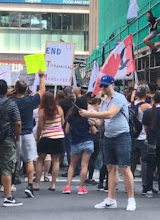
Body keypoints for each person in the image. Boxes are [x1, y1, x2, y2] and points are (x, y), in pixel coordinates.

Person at [79, 75, 136, 212]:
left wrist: (89, 114)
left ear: (112, 84)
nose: (103, 88)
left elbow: (110, 114)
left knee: (124, 167)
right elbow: (102, 123)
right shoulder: (104, 102)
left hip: (121, 136)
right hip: (108, 136)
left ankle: (131, 199)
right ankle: (111, 199)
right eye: (102, 86)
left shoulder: (119, 98)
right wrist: (93, 120)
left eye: (105, 85)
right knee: (111, 167)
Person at [13, 70, 45, 198]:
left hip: (14, 135)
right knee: (29, 160)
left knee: (12, 161)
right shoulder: (30, 101)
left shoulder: (11, 102)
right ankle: (30, 185)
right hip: (27, 133)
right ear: (26, 89)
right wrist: (41, 77)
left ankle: (9, 185)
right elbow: (42, 92)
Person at [63, 97, 97, 195]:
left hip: (75, 142)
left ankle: (68, 186)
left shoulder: (71, 118)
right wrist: (92, 125)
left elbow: (67, 131)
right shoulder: (87, 117)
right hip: (87, 141)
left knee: (72, 165)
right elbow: (94, 132)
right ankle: (81, 187)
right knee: (84, 165)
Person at [142, 91, 160, 198]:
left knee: (150, 165)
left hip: (151, 139)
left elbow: (145, 127)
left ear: (153, 100)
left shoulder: (148, 112)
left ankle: (149, 189)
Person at [35, 92, 65, 191]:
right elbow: (62, 122)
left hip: (46, 137)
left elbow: (40, 127)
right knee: (56, 161)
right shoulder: (59, 109)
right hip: (58, 137)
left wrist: (38, 138)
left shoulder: (42, 111)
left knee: (40, 160)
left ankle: (37, 184)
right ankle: (53, 184)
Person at [129, 85, 151, 193]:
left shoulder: (131, 105)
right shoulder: (147, 106)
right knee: (145, 162)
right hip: (143, 136)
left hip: (133, 136)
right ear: (146, 94)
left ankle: (129, 185)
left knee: (132, 162)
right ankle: (145, 185)